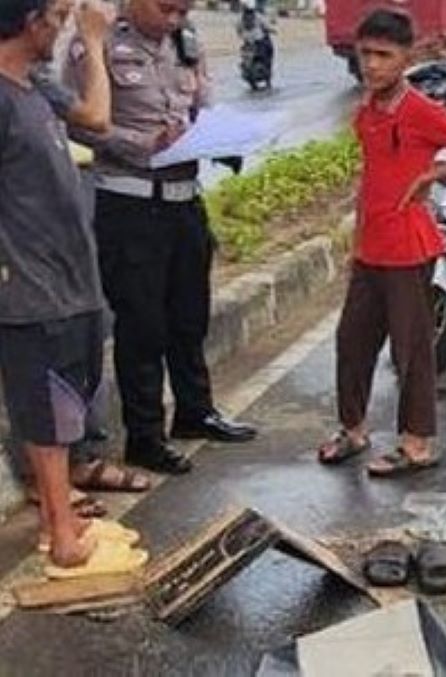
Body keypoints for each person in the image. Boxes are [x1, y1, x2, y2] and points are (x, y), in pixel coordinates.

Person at [66, 0, 258, 477]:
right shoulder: (98, 43)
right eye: (166, 8)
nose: (175, 19)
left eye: (183, 9)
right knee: (142, 326)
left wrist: (220, 136)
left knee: (189, 316)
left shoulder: (186, 41)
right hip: (130, 204)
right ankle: (145, 437)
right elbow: (80, 122)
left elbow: (203, 102)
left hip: (184, 201)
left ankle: (196, 412)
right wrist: (145, 146)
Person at [1, 0, 147, 577]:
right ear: (31, 21)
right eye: (58, 17)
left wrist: (95, 47)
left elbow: (98, 119)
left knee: (67, 406)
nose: (63, 28)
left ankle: (59, 520)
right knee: (44, 410)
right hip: (28, 283)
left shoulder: (35, 88)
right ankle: (61, 534)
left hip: (73, 277)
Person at [316, 10, 446, 476]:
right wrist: (356, 237)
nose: (372, 65)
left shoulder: (422, 111)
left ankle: (417, 443)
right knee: (351, 342)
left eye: (383, 55)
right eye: (365, 54)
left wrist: (433, 174)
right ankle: (353, 429)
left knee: (410, 350)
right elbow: (373, 176)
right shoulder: (369, 110)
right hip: (370, 248)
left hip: (408, 250)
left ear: (405, 58)